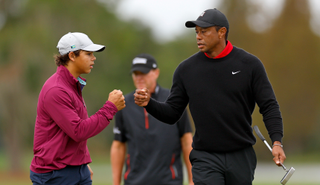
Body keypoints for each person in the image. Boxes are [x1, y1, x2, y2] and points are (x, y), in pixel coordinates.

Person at [134, 8, 286, 185]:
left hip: (241, 155)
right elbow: (172, 113)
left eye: (204, 32)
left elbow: (269, 106)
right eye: (197, 32)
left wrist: (277, 141)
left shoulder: (250, 65)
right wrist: (148, 103)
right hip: (205, 157)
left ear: (221, 32)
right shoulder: (186, 70)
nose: (198, 36)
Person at [30, 32, 126, 185]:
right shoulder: (56, 90)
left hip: (75, 169)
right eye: (88, 53)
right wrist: (110, 107)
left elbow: (70, 131)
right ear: (72, 56)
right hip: (55, 174)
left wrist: (81, 163)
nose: (93, 58)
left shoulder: (71, 85)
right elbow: (78, 131)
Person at [111, 53, 194, 185]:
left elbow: (186, 141)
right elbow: (118, 146)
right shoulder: (124, 104)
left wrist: (192, 179)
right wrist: (116, 183)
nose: (139, 77)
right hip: (134, 181)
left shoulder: (174, 101)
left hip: (169, 181)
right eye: (135, 73)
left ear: (156, 73)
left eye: (143, 73)